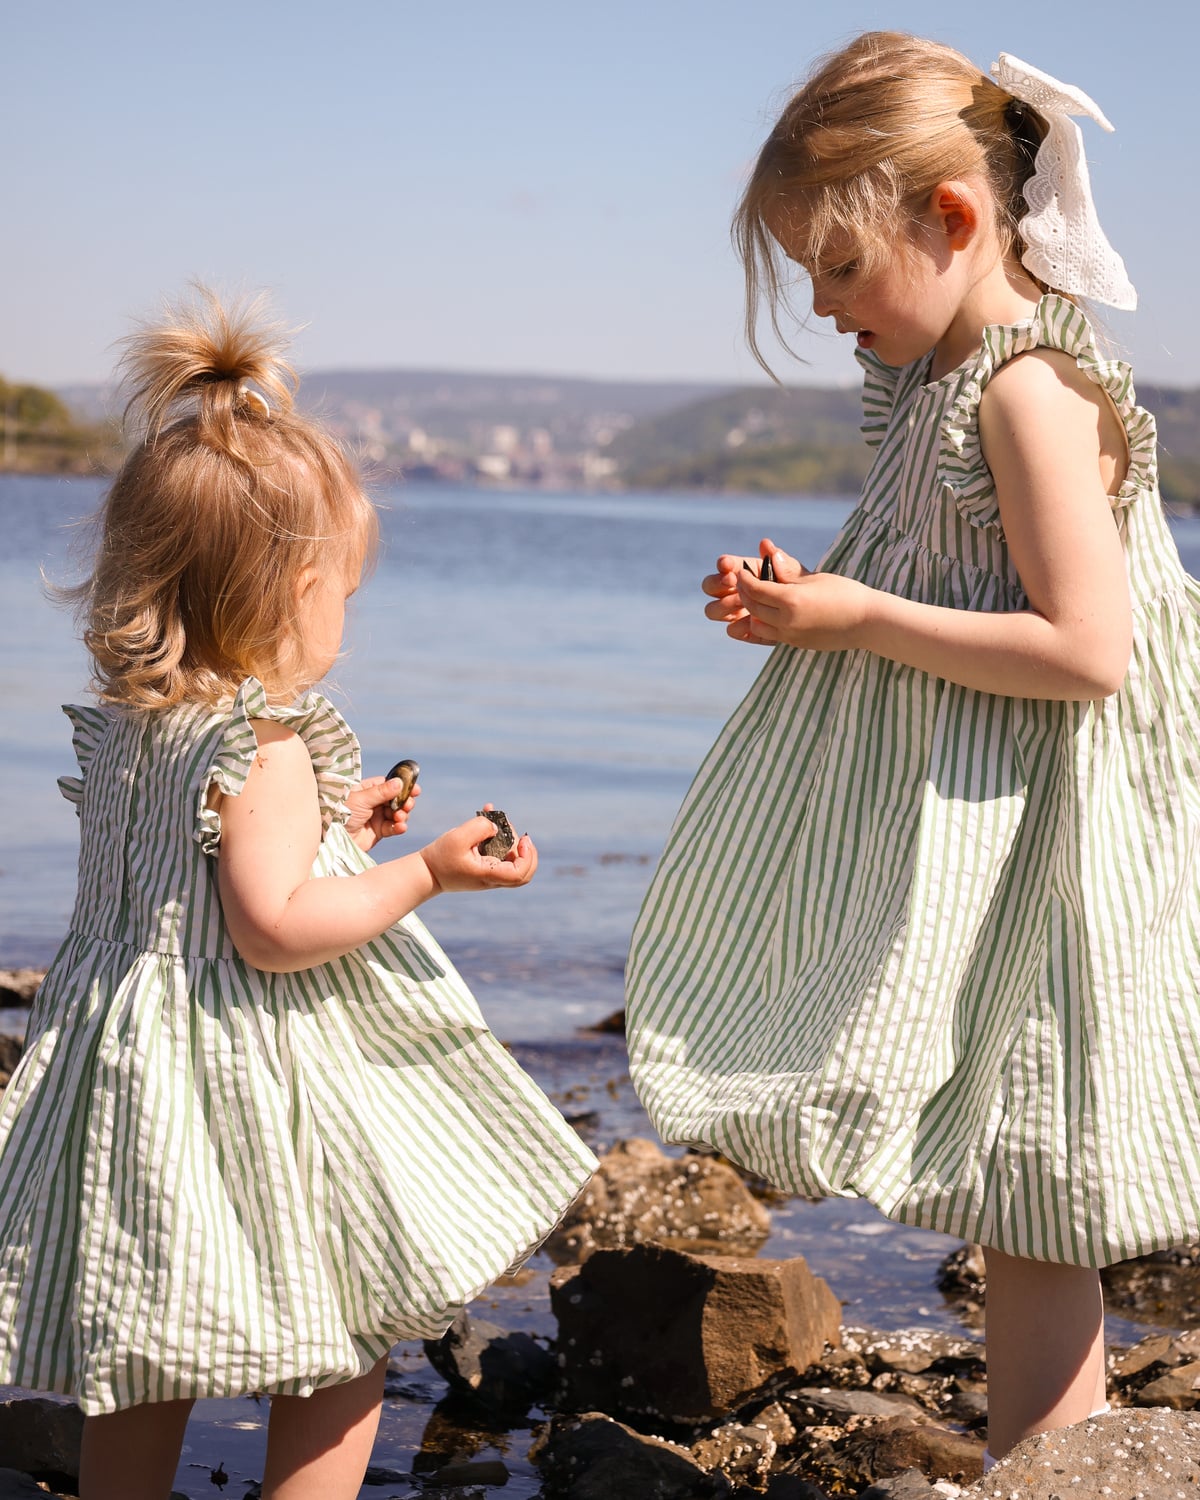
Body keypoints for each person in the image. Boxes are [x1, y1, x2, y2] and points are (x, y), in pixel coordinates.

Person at [625, 31, 1200, 1468]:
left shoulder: (1027, 390)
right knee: (1013, 1161)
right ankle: (1044, 1463)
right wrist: (813, 601)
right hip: (996, 811)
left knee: (1039, 1156)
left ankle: (1052, 1466)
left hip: (1068, 823)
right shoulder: (941, 384)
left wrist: (863, 616)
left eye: (837, 265)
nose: (821, 304)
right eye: (806, 275)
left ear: (952, 218)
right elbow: (955, 574)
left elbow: (1091, 649)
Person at [0, 290, 596, 1500]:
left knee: (146, 1347)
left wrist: (336, 826)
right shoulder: (262, 743)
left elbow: (191, 871)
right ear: (285, 590)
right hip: (249, 1079)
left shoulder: (138, 730)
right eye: (343, 595)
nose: (346, 621)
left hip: (133, 1073)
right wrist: (423, 871)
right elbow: (272, 929)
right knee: (335, 1337)